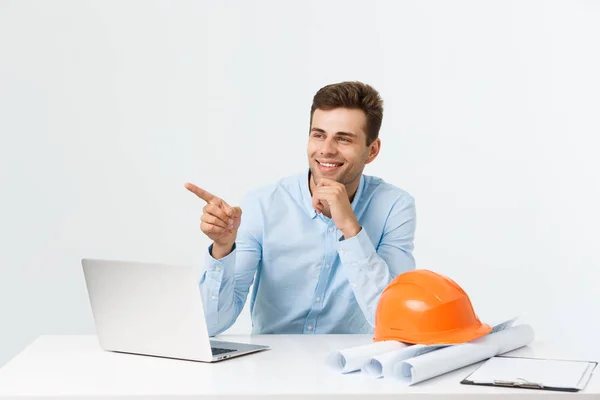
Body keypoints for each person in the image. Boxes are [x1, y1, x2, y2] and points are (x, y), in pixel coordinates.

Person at [185, 81, 416, 336]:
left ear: (371, 150)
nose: (326, 150)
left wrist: (349, 227)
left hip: (350, 367)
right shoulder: (263, 204)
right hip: (270, 366)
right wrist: (222, 249)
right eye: (319, 135)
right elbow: (210, 325)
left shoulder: (395, 207)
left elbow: (394, 321)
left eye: (343, 139)